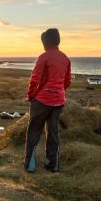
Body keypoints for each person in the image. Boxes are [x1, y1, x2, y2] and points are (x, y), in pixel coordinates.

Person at [24, 28, 71, 173]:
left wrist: (31, 96)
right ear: (58, 41)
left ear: (45, 42)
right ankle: (53, 165)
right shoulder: (65, 58)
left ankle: (30, 166)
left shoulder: (43, 57)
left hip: (42, 101)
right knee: (53, 132)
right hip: (59, 101)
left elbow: (35, 79)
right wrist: (58, 92)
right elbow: (67, 81)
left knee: (34, 131)